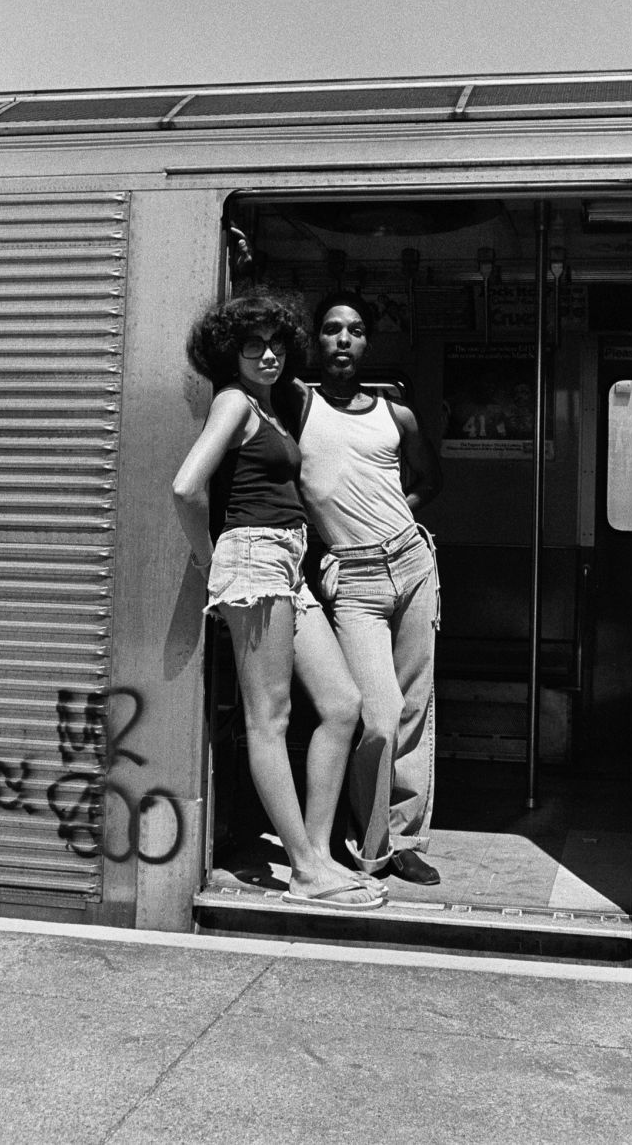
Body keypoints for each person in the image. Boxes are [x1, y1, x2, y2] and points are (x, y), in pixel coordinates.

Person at [172, 287, 385, 911]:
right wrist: (214, 562)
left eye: (274, 345)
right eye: (252, 347)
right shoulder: (235, 403)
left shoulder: (268, 406)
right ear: (229, 355)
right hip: (255, 557)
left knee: (344, 705)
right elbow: (186, 487)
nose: (267, 356)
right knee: (271, 719)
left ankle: (314, 859)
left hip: (287, 561)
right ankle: (307, 868)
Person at [294, 290, 443, 885]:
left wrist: (390, 524)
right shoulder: (298, 407)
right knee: (377, 716)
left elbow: (430, 481)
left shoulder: (395, 414)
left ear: (368, 343)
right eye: (332, 329)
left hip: (410, 563)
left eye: (355, 330)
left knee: (412, 709)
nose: (343, 339)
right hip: (350, 579)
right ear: (316, 339)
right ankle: (368, 836)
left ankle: (395, 842)